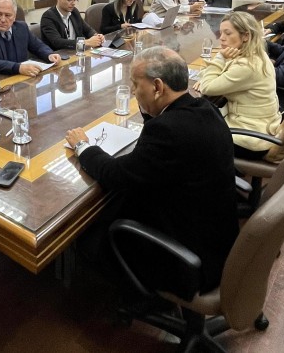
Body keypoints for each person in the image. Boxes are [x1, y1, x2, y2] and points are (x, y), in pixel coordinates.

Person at [65, 46, 239, 294]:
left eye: (136, 85)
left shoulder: (168, 131)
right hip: (215, 237)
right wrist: (150, 110)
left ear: (157, 87)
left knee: (88, 238)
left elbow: (116, 175)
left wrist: (83, 147)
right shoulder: (204, 108)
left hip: (187, 259)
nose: (133, 91)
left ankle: (138, 299)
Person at [194, 12, 282, 160]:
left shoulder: (247, 66)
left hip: (250, 139)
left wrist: (220, 57)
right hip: (262, 128)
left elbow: (207, 87)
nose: (221, 38)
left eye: (228, 33)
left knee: (190, 137)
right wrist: (211, 75)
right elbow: (217, 75)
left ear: (245, 36)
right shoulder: (256, 55)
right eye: (221, 33)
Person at [0, 0, 61, 76]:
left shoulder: (21, 27)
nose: (2, 19)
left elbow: (38, 46)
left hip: (19, 77)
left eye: (7, 15)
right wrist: (18, 68)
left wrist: (49, 54)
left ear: (14, 16)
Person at [41, 0, 105, 50]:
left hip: (76, 51)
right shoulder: (48, 17)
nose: (73, 3)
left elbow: (87, 30)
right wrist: (86, 42)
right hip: (59, 54)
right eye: (69, 0)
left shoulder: (74, 12)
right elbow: (57, 42)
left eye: (74, 0)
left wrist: (96, 36)